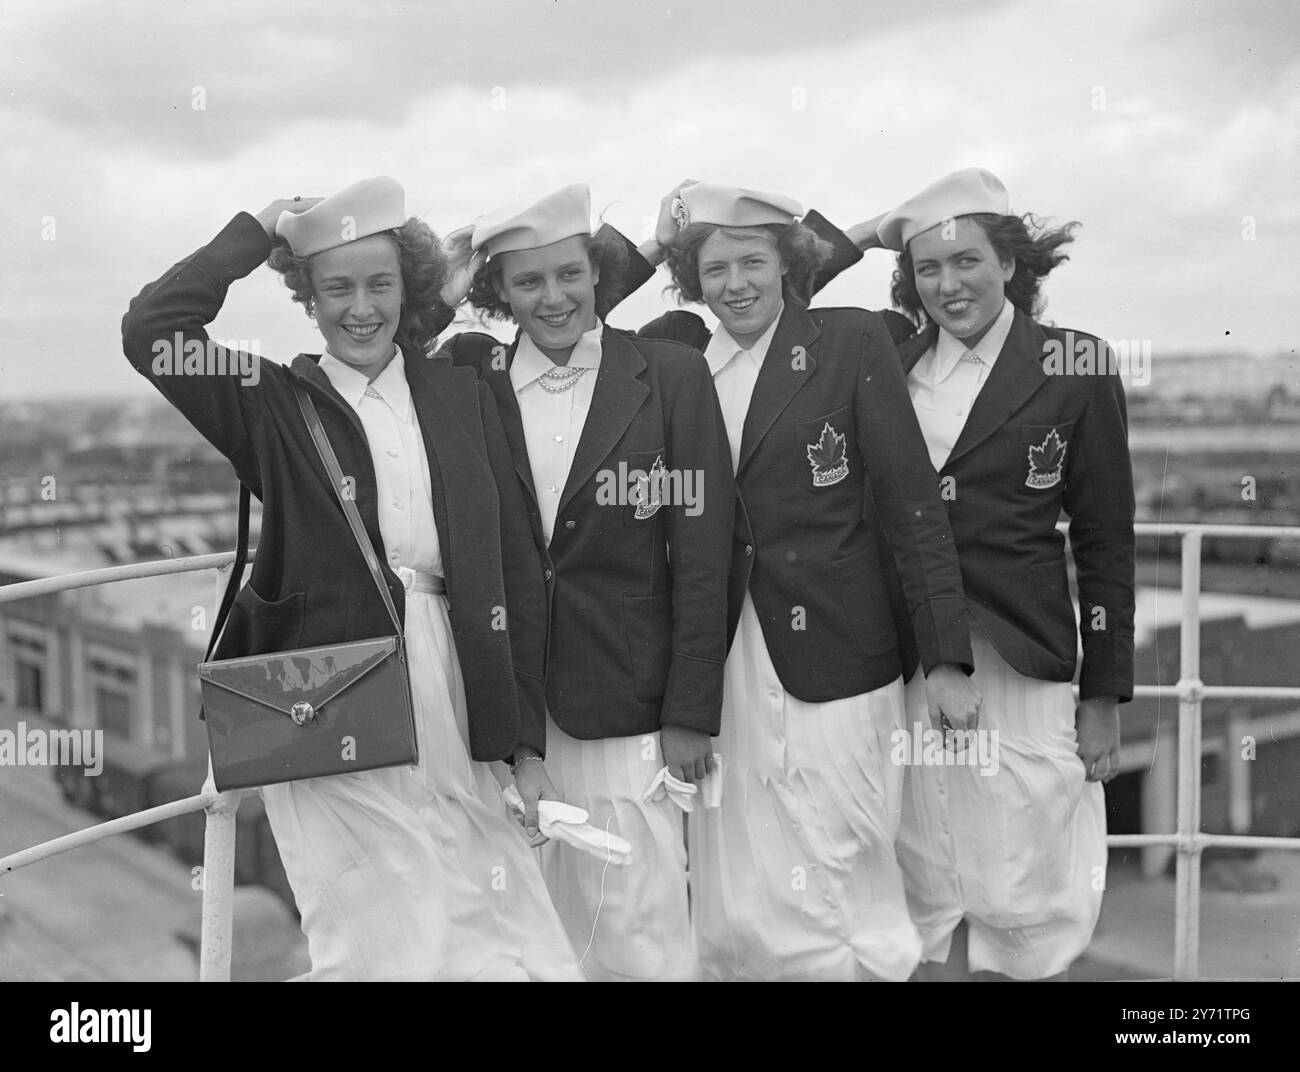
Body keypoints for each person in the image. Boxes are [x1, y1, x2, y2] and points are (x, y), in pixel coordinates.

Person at [121, 176, 582, 981]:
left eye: (380, 284)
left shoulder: (466, 391)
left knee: (495, 914)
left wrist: (525, 745)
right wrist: (255, 231)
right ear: (307, 295)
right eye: (336, 287)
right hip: (330, 688)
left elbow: (514, 572)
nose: (360, 307)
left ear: (409, 288)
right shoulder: (271, 403)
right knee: (377, 932)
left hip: (461, 681)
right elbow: (152, 331)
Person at [640, 182, 981, 981]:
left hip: (839, 649)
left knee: (844, 855)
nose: (735, 285)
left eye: (754, 261)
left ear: (794, 265)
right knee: (737, 880)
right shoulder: (674, 355)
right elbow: (575, 309)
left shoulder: (851, 342)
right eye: (714, 268)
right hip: (718, 659)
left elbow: (912, 508)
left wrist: (946, 659)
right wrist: (659, 242)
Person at [841, 166, 1136, 979]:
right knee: (921, 866)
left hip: (1022, 655)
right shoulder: (885, 359)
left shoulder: (1077, 363)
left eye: (967, 260)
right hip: (906, 661)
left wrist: (1104, 695)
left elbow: (1107, 539)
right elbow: (790, 280)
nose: (948, 284)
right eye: (927, 267)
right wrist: (876, 229)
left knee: (1026, 877)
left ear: (1009, 263)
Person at [436, 183, 734, 981]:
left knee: (639, 926)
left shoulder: (670, 375)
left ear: (600, 273)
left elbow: (708, 555)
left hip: (628, 701)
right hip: (505, 706)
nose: (554, 297)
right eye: (526, 282)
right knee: (524, 928)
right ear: (496, 293)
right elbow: (395, 342)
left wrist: (690, 709)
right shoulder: (469, 380)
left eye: (570, 274)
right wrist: (454, 282)